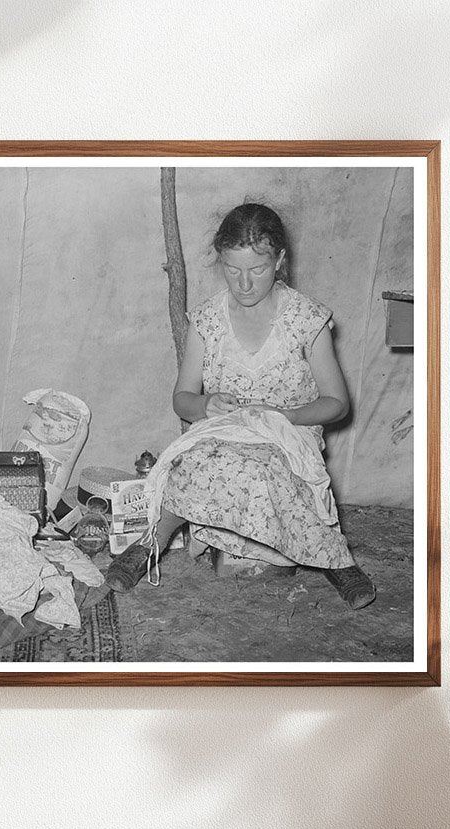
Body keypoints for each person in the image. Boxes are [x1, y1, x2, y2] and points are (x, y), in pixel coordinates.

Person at [104, 202, 376, 609]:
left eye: (258, 270)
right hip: (223, 431)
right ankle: (148, 545)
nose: (245, 284)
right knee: (190, 462)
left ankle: (337, 561)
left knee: (270, 469)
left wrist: (287, 415)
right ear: (220, 261)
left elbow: (337, 403)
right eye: (233, 270)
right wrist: (205, 404)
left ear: (279, 261)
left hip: (287, 433)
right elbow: (182, 399)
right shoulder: (207, 320)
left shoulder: (307, 320)